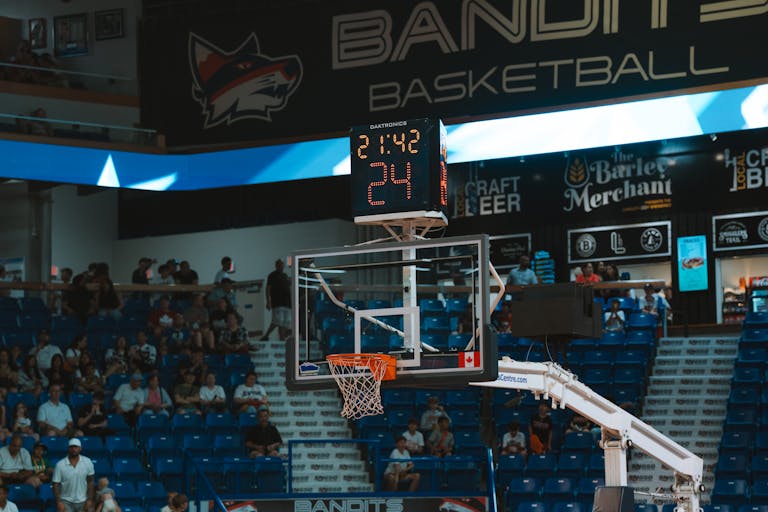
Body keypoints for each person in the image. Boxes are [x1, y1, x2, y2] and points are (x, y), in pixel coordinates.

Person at [52, 438, 95, 512]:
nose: (73, 449)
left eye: (76, 447)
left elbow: (90, 481)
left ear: (80, 448)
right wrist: (59, 502)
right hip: (66, 501)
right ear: (68, 448)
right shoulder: (60, 465)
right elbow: (55, 485)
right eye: (71, 447)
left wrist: (89, 499)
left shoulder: (87, 462)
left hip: (83, 500)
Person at [261, 259, 291, 341]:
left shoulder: (285, 276)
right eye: (279, 265)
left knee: (285, 322)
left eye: (282, 265)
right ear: (276, 266)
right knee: (278, 321)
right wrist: (268, 301)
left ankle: (282, 338)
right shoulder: (272, 275)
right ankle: (267, 335)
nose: (281, 266)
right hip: (277, 302)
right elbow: (268, 288)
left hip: (287, 303)